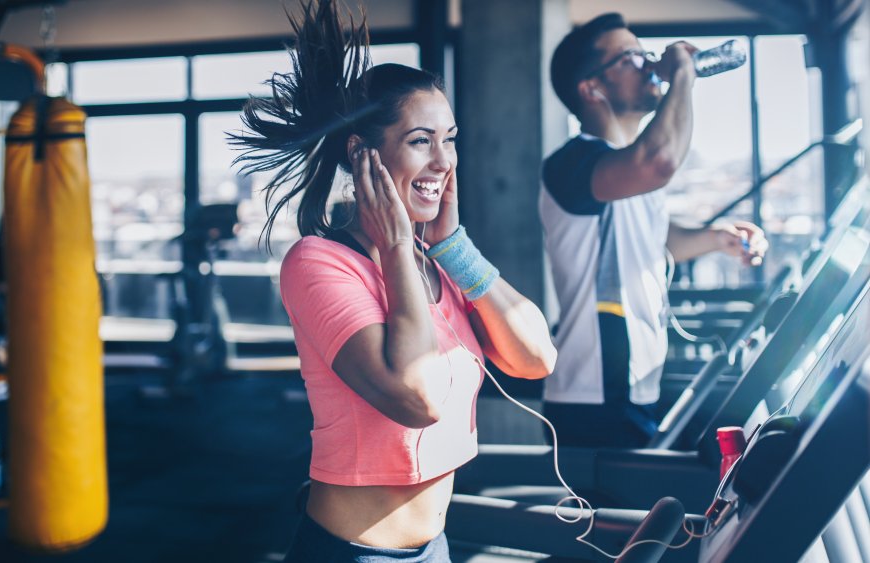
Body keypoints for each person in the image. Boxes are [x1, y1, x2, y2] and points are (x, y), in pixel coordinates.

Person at [230, 1, 557, 559]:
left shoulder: (440, 261)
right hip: (352, 551)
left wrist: (455, 250)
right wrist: (399, 245)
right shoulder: (317, 263)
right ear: (363, 156)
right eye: (420, 141)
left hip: (435, 547)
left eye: (449, 139)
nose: (443, 161)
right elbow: (418, 397)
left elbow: (537, 358)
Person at [540, 13, 768, 448]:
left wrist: (715, 238)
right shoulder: (573, 165)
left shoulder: (628, 171)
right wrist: (682, 72)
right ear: (592, 88)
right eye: (630, 57)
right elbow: (659, 161)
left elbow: (657, 240)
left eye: (646, 53)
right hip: (595, 395)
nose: (649, 64)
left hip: (638, 385)